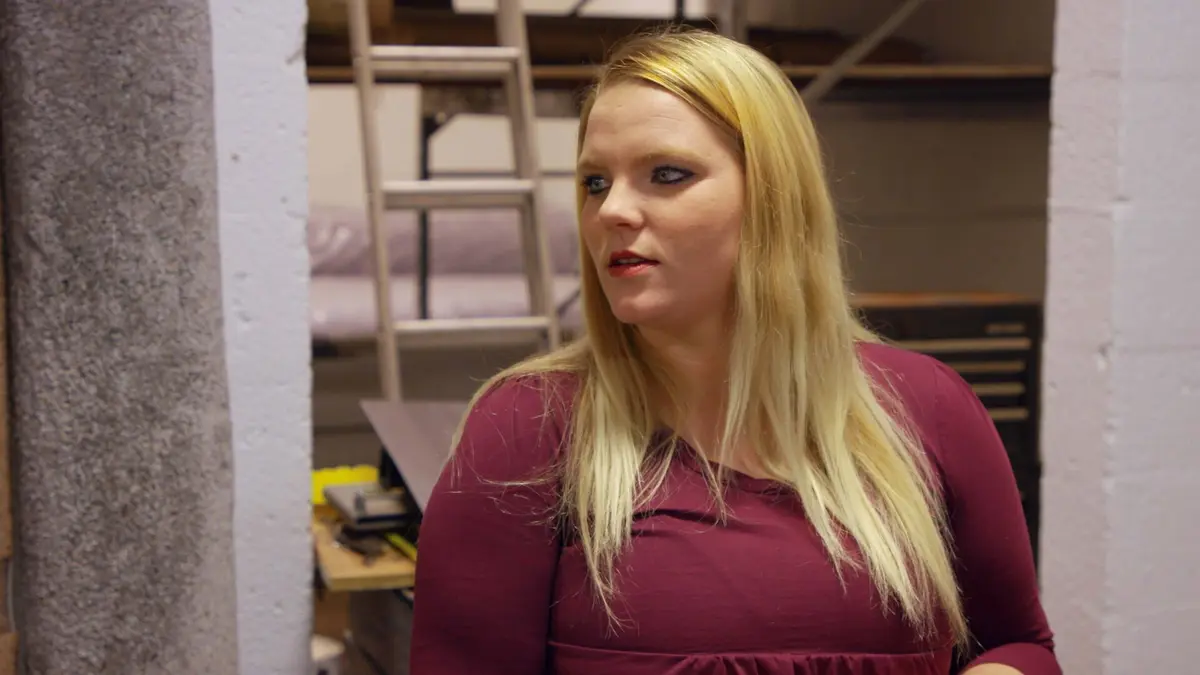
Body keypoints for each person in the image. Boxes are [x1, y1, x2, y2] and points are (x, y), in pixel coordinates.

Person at [409, 27, 1059, 675]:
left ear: (773, 197)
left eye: (666, 175)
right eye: (595, 182)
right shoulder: (526, 427)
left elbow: (1019, 644)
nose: (612, 211)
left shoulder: (925, 407)